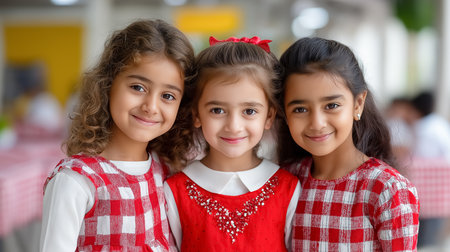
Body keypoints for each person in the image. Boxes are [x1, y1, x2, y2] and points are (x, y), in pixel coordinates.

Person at [40, 19, 195, 251]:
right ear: (108, 84)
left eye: (168, 96)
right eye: (138, 87)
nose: (151, 106)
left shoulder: (165, 172)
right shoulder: (76, 181)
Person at [277, 37, 419, 251]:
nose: (317, 123)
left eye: (331, 105)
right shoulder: (285, 181)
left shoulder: (385, 189)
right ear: (284, 114)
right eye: (300, 109)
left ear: (358, 104)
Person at [164, 36, 301, 251]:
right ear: (197, 114)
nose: (234, 126)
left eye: (249, 111)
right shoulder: (174, 190)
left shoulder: (289, 188)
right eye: (217, 110)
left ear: (269, 117)